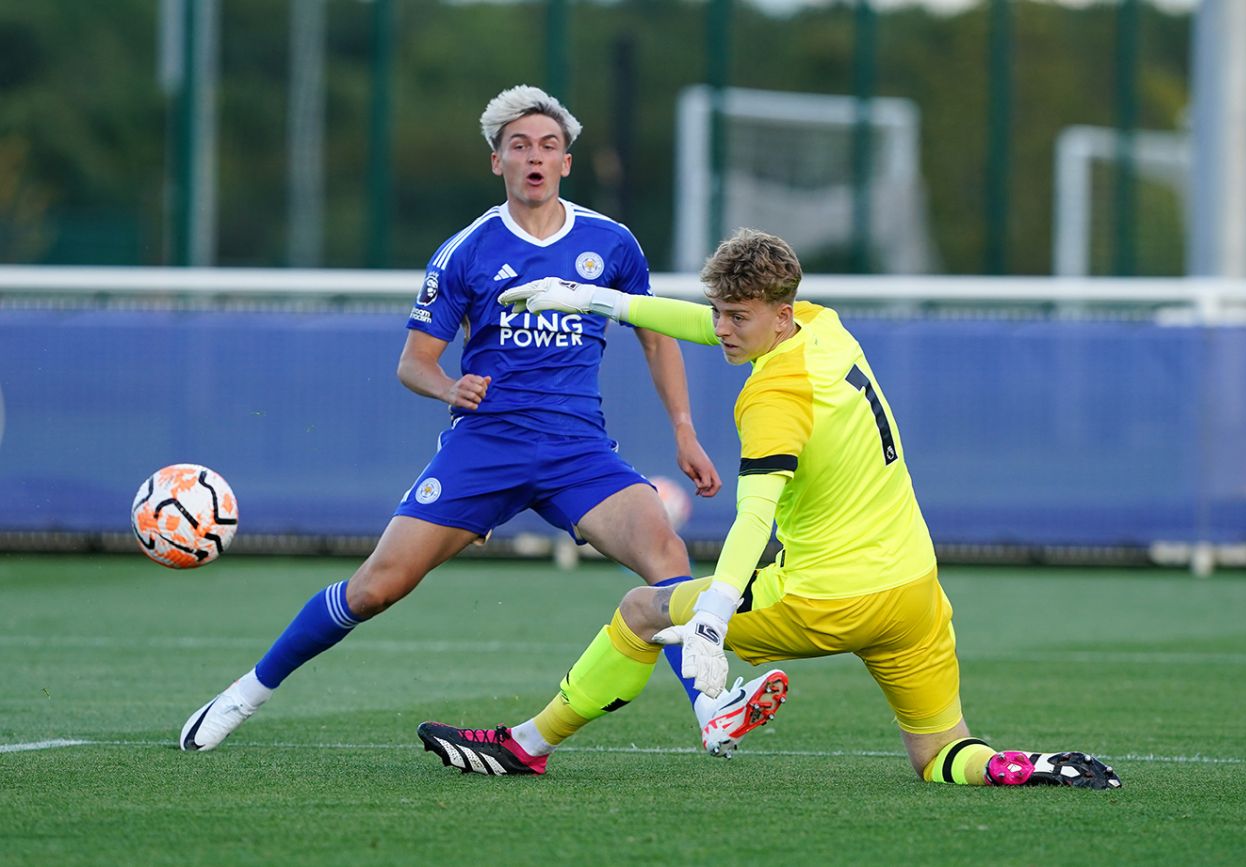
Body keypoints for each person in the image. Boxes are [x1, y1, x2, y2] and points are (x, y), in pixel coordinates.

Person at [415, 229, 1122, 790]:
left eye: (737, 317)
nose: (722, 330)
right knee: (940, 752)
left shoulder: (774, 398)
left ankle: (526, 747)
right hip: (913, 594)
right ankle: (1018, 766)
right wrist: (596, 299)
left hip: (826, 597)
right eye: (720, 311)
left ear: (777, 314)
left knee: (640, 609)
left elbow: (755, 515)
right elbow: (706, 324)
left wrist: (715, 611)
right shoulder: (822, 325)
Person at [179, 85, 723, 752]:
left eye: (548, 146)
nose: (535, 157)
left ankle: (712, 709)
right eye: (519, 146)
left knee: (666, 553)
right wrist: (447, 387)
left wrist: (685, 430)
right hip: (486, 447)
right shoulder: (466, 250)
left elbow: (656, 333)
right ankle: (246, 692)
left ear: (566, 163)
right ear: (497, 161)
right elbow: (413, 362)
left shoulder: (610, 243)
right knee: (377, 587)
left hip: (577, 451)